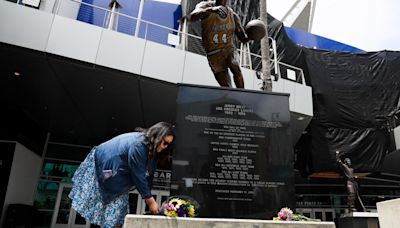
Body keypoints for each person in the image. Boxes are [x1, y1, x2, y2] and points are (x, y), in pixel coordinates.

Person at [69, 122, 175, 228]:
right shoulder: (139, 145)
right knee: (112, 218)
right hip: (104, 169)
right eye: (165, 142)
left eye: (168, 145)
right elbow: (138, 175)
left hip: (119, 179)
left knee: (119, 218)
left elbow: (148, 177)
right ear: (157, 136)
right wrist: (150, 201)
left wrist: (150, 198)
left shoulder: (153, 152)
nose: (165, 147)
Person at [186, 0, 249, 88]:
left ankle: (243, 93)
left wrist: (252, 34)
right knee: (226, 86)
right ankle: (233, 98)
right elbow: (191, 17)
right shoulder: (204, 5)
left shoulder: (233, 15)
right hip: (214, 54)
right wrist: (211, 10)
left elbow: (243, 38)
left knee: (233, 64)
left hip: (228, 49)